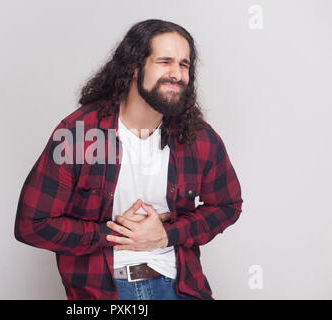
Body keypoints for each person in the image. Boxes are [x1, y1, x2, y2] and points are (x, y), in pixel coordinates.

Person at [14, 19, 243, 300]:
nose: (178, 74)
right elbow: (32, 224)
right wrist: (112, 233)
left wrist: (166, 235)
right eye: (165, 61)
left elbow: (228, 205)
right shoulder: (80, 134)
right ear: (134, 67)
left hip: (180, 286)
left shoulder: (198, 138)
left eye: (184, 64)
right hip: (105, 290)